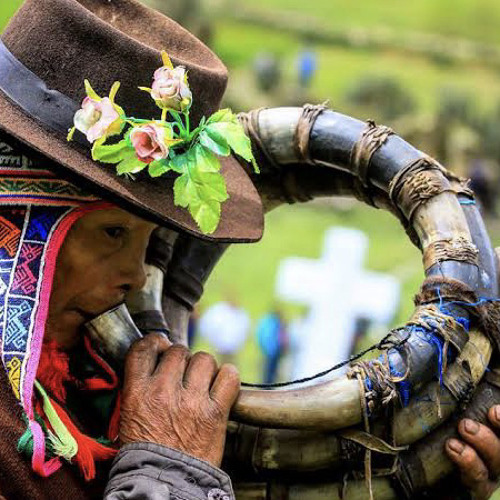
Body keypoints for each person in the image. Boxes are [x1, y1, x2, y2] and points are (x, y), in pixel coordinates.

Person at [0, 0, 264, 498]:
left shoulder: (83, 384)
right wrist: (169, 473)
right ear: (17, 219)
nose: (137, 276)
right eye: (113, 233)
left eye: (148, 241)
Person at [199, 298, 251, 365]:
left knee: (231, 365)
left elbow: (244, 330)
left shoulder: (240, 314)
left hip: (233, 349)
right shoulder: (219, 312)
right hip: (220, 347)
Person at [256, 308, 287, 384]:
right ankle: (267, 385)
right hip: (272, 350)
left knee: (269, 371)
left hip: (272, 350)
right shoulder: (274, 323)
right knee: (269, 371)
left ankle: (267, 384)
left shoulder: (269, 322)